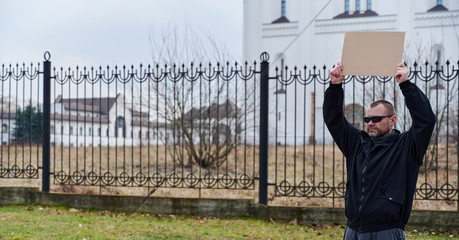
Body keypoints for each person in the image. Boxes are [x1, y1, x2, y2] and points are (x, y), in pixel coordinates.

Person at [323, 62, 436, 240]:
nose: (370, 123)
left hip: (387, 231)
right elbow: (333, 120)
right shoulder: (356, 144)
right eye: (368, 118)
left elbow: (426, 120)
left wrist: (405, 85)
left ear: (393, 120)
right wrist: (335, 86)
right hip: (353, 231)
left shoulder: (406, 147)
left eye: (376, 118)